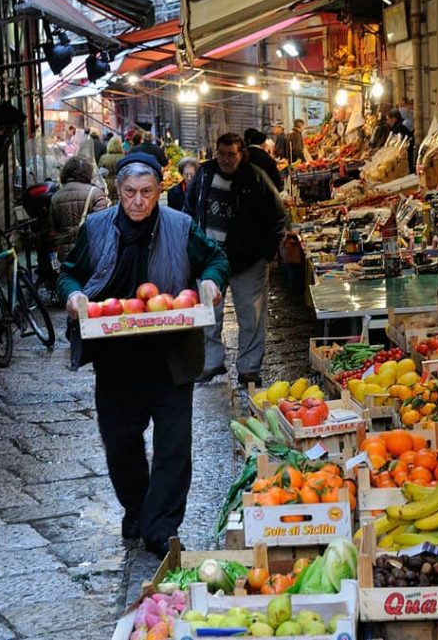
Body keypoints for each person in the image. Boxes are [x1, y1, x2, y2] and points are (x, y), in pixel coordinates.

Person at [58, 153, 229, 560]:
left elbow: (216, 260)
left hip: (171, 354)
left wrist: (210, 283)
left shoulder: (181, 226)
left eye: (147, 192)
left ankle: (160, 529)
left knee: (174, 445)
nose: (138, 201)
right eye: (130, 192)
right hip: (116, 355)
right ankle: (136, 509)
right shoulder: (96, 227)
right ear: (118, 192)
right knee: (120, 442)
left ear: (157, 192)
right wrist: (73, 295)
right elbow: (70, 271)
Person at [183, 133, 287, 386]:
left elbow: (278, 217)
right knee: (209, 312)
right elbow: (189, 209)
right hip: (209, 259)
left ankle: (249, 368)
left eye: (232, 154)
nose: (226, 159)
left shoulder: (255, 178)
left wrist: (265, 254)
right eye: (222, 154)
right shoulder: (205, 174)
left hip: (248, 259)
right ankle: (211, 362)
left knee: (251, 315)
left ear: (242, 154)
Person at [50, 156, 109, 261]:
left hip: (65, 256)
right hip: (89, 254)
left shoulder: (55, 197)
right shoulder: (95, 194)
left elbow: (54, 228)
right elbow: (101, 228)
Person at [244, 128, 283, 192]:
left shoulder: (242, 155)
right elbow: (276, 181)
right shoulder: (266, 158)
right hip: (264, 194)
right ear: (263, 143)